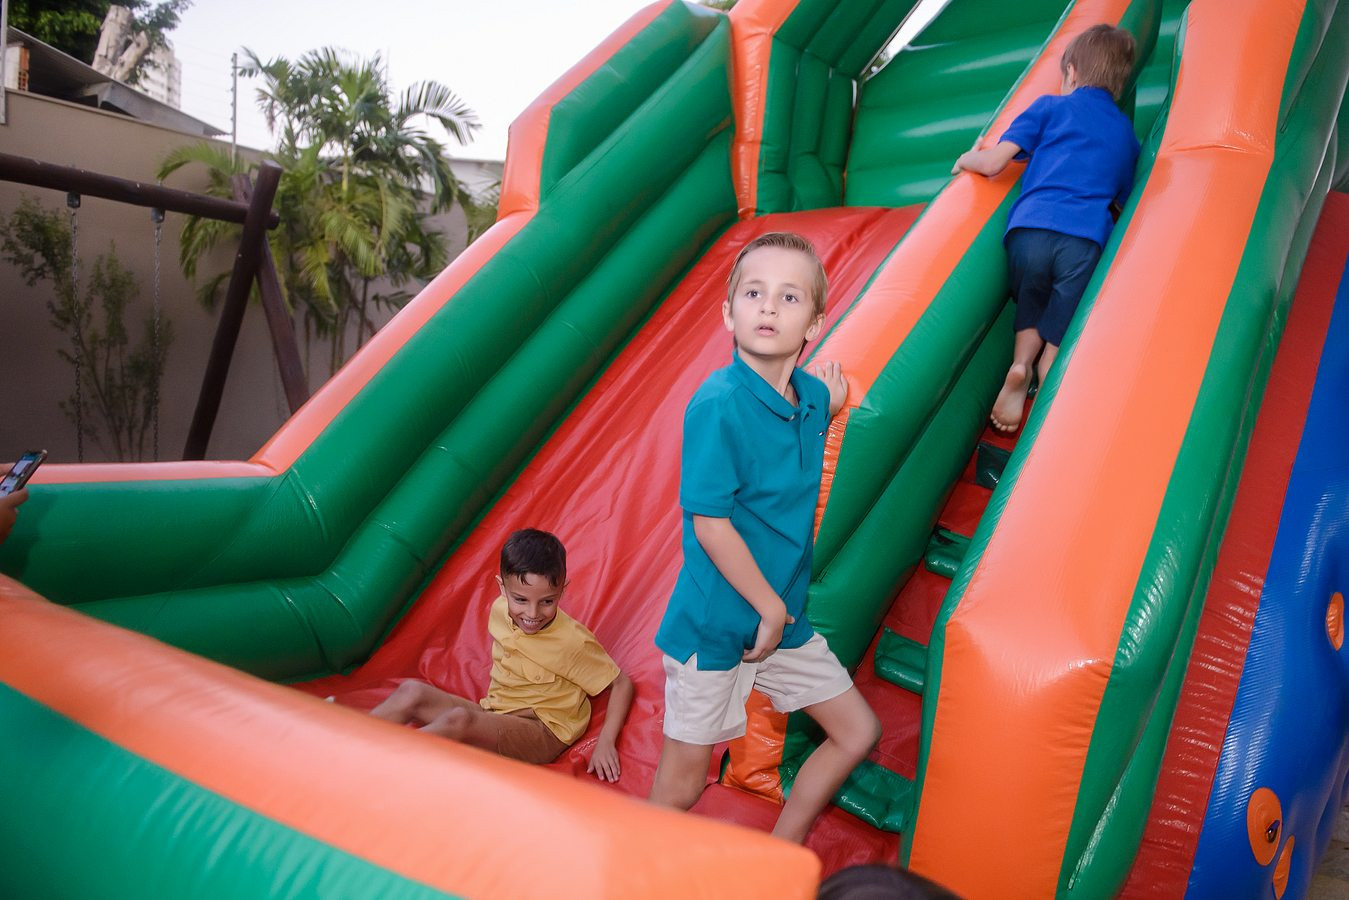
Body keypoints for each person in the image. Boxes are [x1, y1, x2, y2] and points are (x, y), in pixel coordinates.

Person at [648, 231, 881, 843]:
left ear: (814, 325)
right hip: (718, 624)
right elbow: (710, 523)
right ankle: (629, 873)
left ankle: (783, 854)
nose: (769, 306)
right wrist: (769, 609)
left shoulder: (810, 398)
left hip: (782, 623)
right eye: (753, 293)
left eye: (789, 297)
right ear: (729, 313)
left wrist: (832, 400)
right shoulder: (717, 405)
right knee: (683, 786)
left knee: (856, 731)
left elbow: (815, 405)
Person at [953, 23, 1141, 432]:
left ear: (1071, 71)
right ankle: (1047, 381)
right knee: (1062, 317)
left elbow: (994, 163)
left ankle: (1020, 364)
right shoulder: (1125, 133)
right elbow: (1124, 199)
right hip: (1083, 240)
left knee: (1031, 301)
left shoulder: (1048, 107)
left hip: (1029, 231)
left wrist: (967, 158)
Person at [368, 528, 634, 781]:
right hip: (497, 712)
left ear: (562, 590)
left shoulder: (571, 641)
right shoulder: (499, 610)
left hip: (543, 730)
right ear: (502, 588)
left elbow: (621, 683)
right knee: (412, 691)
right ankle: (352, 744)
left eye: (547, 601)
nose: (532, 614)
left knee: (459, 720)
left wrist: (605, 741)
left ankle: (379, 769)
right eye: (521, 600)